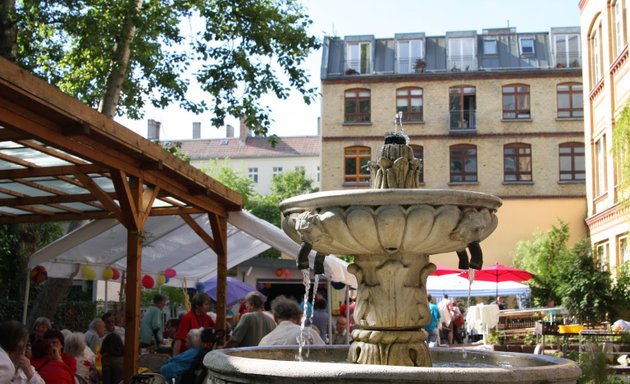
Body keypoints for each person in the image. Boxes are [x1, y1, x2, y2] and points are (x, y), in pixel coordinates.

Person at [259, 296, 325, 346]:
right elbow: (325, 354)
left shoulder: (264, 341)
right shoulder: (309, 334)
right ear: (299, 318)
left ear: (275, 317)